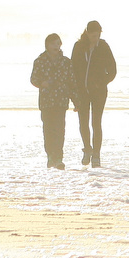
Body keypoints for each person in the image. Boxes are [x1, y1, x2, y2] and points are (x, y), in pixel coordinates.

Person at [70, 20, 116, 168]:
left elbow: (113, 70)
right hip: (82, 91)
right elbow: (73, 69)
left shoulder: (103, 46)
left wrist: (101, 82)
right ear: (87, 33)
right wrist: (74, 90)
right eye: (93, 35)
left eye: (97, 35)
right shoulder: (78, 47)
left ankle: (96, 154)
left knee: (96, 122)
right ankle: (87, 150)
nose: (95, 38)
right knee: (83, 122)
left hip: (99, 91)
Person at [29, 33, 75, 170]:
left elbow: (72, 82)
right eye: (54, 43)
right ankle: (50, 156)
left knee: (60, 130)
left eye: (58, 43)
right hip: (46, 101)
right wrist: (42, 83)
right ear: (47, 45)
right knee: (48, 129)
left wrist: (77, 101)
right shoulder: (40, 61)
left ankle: (59, 158)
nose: (57, 46)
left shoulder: (66, 62)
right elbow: (33, 79)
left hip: (61, 100)